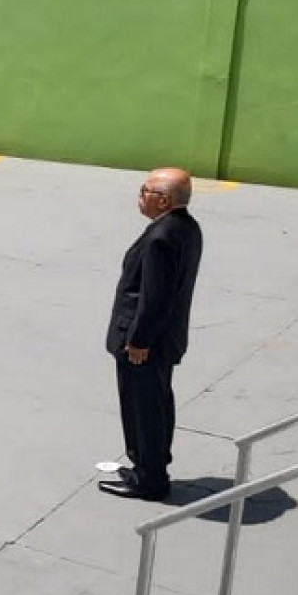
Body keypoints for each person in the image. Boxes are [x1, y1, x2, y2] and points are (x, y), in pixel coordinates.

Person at [100, 168, 204, 501]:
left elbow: (155, 297)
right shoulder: (186, 228)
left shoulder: (160, 239)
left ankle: (149, 478)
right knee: (156, 404)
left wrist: (139, 341)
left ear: (163, 200)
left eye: (144, 190)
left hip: (146, 343)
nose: (139, 195)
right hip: (165, 339)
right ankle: (151, 463)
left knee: (142, 408)